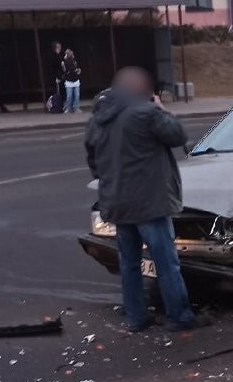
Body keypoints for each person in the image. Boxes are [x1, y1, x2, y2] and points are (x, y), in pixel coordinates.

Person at [88, 67, 207, 333]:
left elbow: (93, 162)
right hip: (149, 203)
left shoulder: (98, 118)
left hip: (117, 202)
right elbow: (178, 135)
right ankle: (179, 316)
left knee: (129, 263)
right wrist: (161, 108)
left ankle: (136, 317)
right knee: (166, 262)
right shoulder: (146, 113)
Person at [60, 47, 82, 113]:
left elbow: (78, 69)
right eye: (67, 53)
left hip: (76, 80)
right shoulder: (64, 61)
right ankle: (68, 108)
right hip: (69, 81)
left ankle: (76, 108)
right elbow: (64, 70)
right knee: (69, 96)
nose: (69, 54)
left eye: (70, 53)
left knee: (77, 95)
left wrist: (78, 71)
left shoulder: (74, 60)